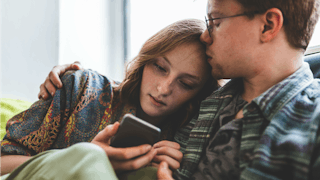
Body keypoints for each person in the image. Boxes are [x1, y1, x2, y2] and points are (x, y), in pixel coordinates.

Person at [41, 0, 320, 179]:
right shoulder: (205, 107)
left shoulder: (312, 121)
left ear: (268, 25)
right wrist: (73, 79)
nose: (205, 34)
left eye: (216, 21)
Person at [0, 19, 220, 180]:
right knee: (89, 155)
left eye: (185, 84)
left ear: (198, 95)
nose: (163, 89)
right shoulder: (81, 86)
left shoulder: (184, 139)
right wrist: (80, 159)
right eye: (160, 67)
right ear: (145, 61)